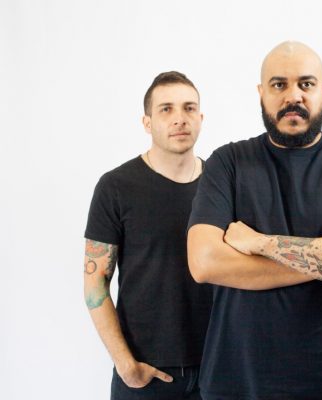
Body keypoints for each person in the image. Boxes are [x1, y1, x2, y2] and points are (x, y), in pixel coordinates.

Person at [187, 41, 322, 400]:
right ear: (261, 93)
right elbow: (204, 264)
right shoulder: (228, 163)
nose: (293, 96)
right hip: (237, 384)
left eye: (306, 84)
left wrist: (261, 244)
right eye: (279, 84)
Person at [83, 71, 212, 400]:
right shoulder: (116, 187)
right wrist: (126, 365)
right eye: (166, 109)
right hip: (146, 374)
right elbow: (95, 283)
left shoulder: (221, 184)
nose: (179, 118)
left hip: (217, 369)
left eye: (189, 108)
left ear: (201, 118)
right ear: (147, 123)